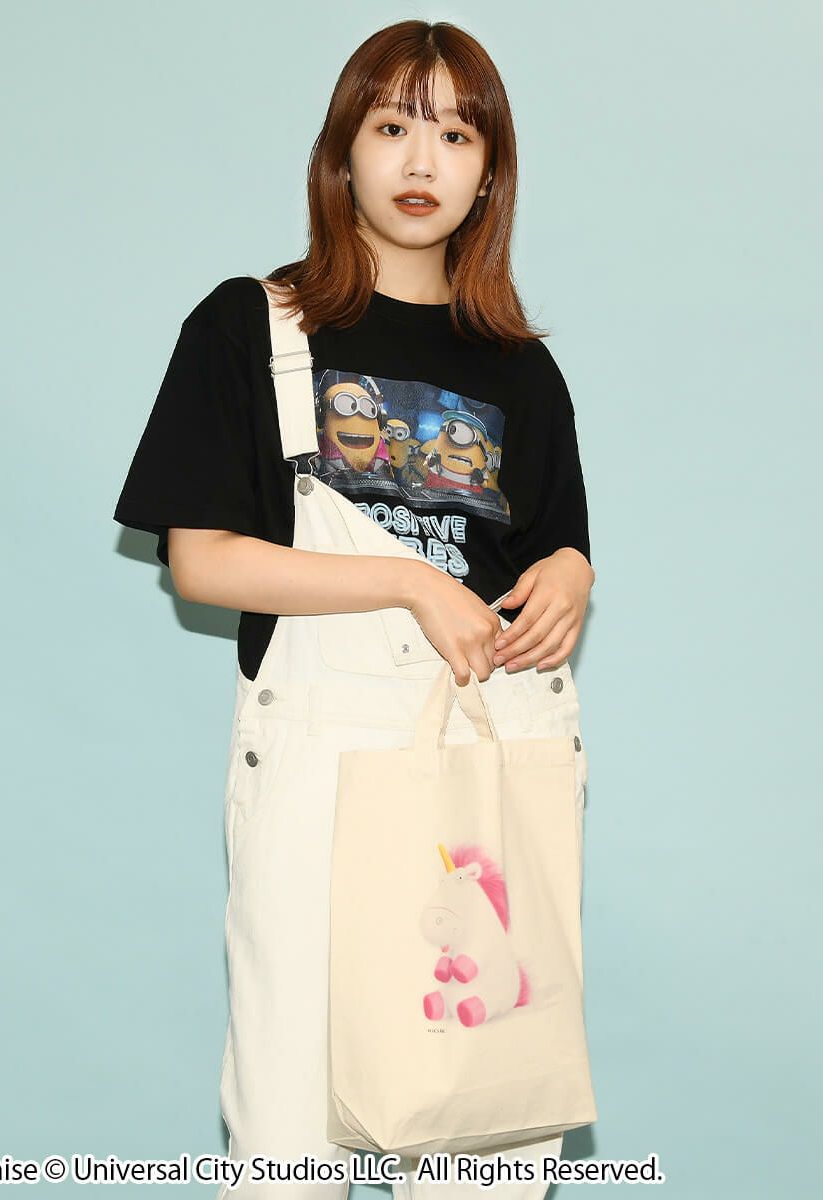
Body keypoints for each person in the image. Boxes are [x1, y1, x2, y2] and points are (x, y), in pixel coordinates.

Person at [114, 19, 596, 1200]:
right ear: (343, 153)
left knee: (485, 1141)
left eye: (456, 135)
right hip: (320, 761)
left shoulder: (521, 370)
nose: (421, 161)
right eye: (392, 127)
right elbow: (202, 561)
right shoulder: (255, 327)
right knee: (289, 1136)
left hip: (476, 763)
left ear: (491, 172)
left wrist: (575, 573)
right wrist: (409, 580)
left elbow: (549, 551)